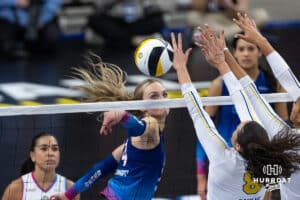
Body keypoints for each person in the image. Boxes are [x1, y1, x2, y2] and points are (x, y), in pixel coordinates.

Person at [172, 29, 300, 199]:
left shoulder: (222, 160)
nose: (295, 102)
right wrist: (222, 61)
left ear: (237, 145)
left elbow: (199, 112)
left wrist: (181, 68)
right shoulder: (273, 159)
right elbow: (246, 104)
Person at [50, 56, 169, 200]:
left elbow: (100, 169)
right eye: (154, 96)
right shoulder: (151, 124)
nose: (162, 99)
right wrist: (122, 115)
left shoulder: (127, 146)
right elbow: (140, 128)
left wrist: (68, 194)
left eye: (164, 94)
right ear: (142, 106)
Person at [195, 19, 288, 200]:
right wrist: (200, 176)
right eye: (241, 49)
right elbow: (204, 131)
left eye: (251, 48)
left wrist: (270, 175)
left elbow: (282, 129)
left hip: (259, 163)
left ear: (260, 52)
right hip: (227, 163)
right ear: (235, 53)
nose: (246, 54)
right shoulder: (218, 85)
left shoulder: (273, 84)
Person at [231, 12, 300, 200]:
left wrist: (224, 58)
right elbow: (288, 78)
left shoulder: (285, 138)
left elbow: (252, 93)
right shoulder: (286, 139)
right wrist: (260, 40)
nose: (294, 101)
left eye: (296, 102)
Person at [2, 132, 79, 200]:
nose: (50, 153)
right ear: (32, 155)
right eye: (44, 149)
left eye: (55, 149)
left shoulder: (70, 187)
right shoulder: (15, 188)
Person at [87, 0, 165, 49]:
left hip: (137, 22)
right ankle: (137, 40)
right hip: (116, 21)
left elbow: (152, 7)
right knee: (94, 19)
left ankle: (115, 42)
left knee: (157, 20)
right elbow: (98, 7)